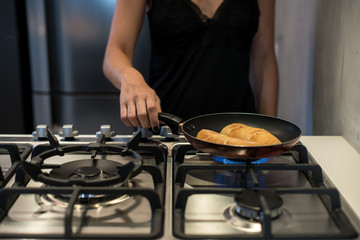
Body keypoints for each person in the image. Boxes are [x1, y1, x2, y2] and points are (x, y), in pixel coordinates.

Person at [103, 0, 278, 132]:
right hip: (165, 130)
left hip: (238, 135)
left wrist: (270, 135)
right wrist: (130, 78)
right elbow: (117, 51)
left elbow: (264, 60)